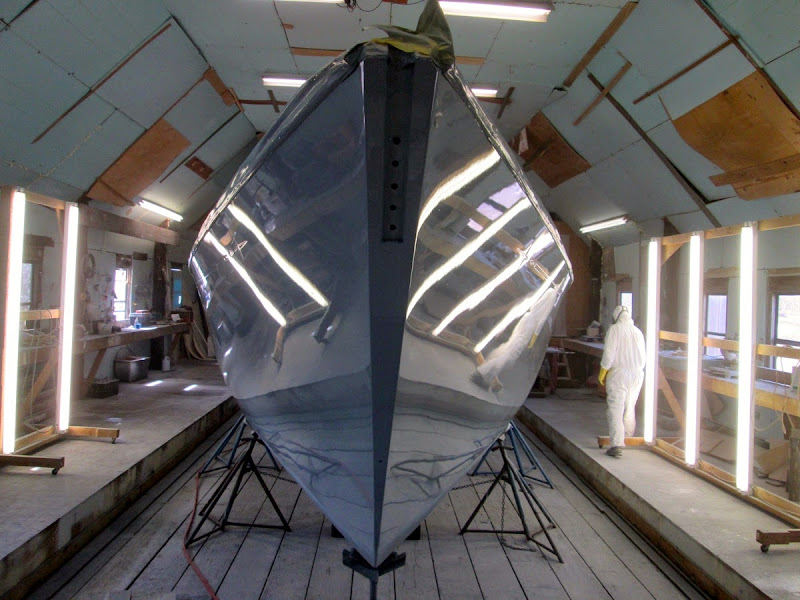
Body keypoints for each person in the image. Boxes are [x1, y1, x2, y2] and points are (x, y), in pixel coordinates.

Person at [598, 305, 645, 458]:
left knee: (615, 408)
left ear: (616, 317)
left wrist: (603, 370)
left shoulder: (614, 329)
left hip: (619, 374)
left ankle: (617, 445)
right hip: (637, 374)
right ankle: (628, 437)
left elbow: (609, 353)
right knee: (630, 406)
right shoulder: (638, 332)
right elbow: (643, 356)